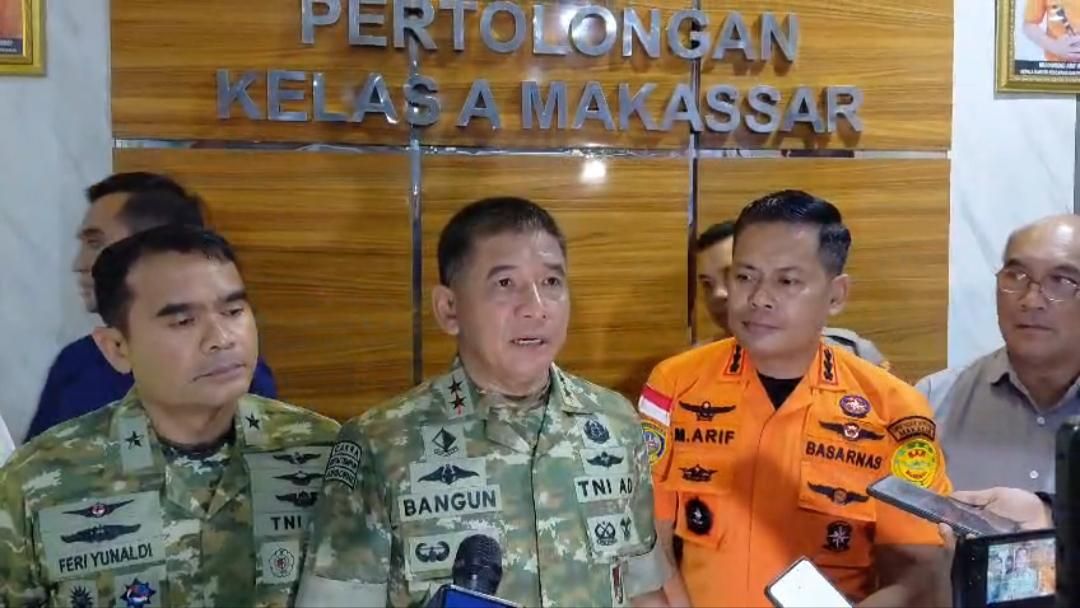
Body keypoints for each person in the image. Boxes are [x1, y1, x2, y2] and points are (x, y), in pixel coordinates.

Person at [296, 197, 672, 607]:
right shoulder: (381, 443)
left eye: (551, 282)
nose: (536, 308)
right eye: (505, 284)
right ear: (449, 309)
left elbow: (642, 590)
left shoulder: (615, 423)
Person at [642, 190, 951, 606]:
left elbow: (919, 571)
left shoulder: (894, 410)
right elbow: (648, 545)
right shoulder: (675, 383)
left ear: (837, 295)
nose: (758, 298)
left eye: (786, 281)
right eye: (745, 277)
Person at [0, 226, 339, 605]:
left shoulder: (328, 456)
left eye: (233, 311)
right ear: (117, 348)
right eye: (183, 321)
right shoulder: (36, 482)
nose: (221, 338)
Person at [26, 173, 278, 441]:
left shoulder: (233, 373)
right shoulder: (75, 366)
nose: (79, 264)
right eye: (183, 321)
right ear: (115, 348)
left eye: (96, 243)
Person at [916, 214, 1080, 492]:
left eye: (1061, 281)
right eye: (1016, 276)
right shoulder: (933, 401)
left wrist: (1047, 514)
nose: (1031, 300)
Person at [696, 220, 890, 368]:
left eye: (739, 276)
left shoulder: (856, 355)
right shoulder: (693, 367)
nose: (718, 294)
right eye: (707, 284)